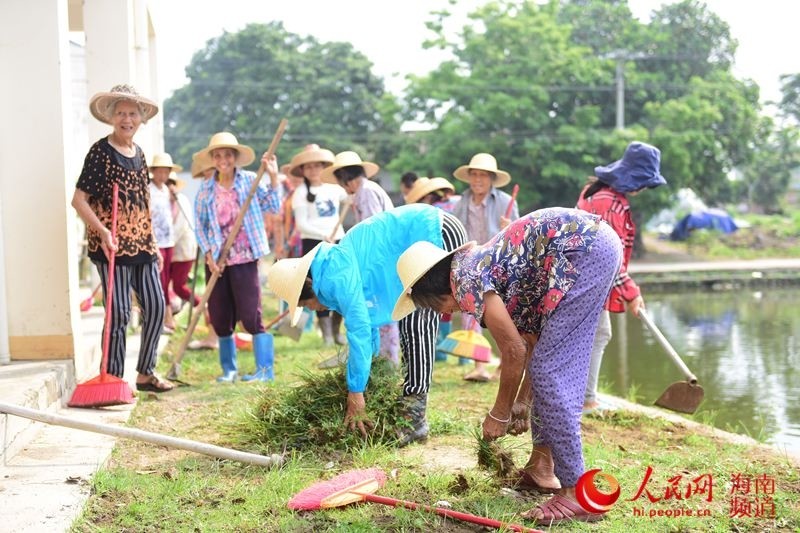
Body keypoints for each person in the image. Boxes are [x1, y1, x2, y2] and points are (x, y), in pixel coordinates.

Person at [394, 207, 622, 525]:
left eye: (437, 307)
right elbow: (531, 340)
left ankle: (574, 493)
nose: (447, 313)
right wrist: (522, 402)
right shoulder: (478, 268)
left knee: (550, 371)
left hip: (585, 250)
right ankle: (542, 468)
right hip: (595, 246)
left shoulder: (466, 280)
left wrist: (499, 413)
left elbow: (513, 351)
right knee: (547, 366)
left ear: (435, 293)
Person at [267, 203, 467, 446]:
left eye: (304, 304)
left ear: (308, 286)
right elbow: (369, 328)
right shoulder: (331, 269)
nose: (309, 309)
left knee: (417, 320)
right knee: (413, 317)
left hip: (433, 231)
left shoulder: (334, 274)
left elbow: (359, 329)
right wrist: (366, 377)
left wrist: (356, 392)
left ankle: (415, 416)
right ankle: (410, 410)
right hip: (426, 231)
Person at [71, 84, 174, 393]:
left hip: (142, 244)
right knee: (119, 314)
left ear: (140, 119)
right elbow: (79, 199)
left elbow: (143, 203)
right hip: (111, 244)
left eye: (132, 113)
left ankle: (145, 372)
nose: (127, 119)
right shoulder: (100, 152)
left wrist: (153, 244)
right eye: (121, 113)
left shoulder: (139, 154)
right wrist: (102, 231)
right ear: (111, 118)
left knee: (156, 307)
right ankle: (113, 379)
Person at [576, 141, 667, 414]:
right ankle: (587, 400)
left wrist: (628, 292)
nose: (643, 190)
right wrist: (632, 292)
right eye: (645, 183)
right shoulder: (609, 203)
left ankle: (583, 395)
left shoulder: (601, 194)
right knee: (599, 333)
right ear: (634, 179)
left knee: (591, 335)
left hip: (585, 277)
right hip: (588, 278)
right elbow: (609, 258)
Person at [193, 131, 281, 382]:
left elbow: (273, 206)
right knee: (220, 314)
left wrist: (273, 177)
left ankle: (265, 370)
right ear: (212, 159)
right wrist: (209, 254)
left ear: (235, 158)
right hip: (217, 261)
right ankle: (229, 370)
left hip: (244, 257)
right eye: (218, 155)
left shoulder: (250, 181)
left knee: (250, 313)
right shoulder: (206, 189)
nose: (223, 159)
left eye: (228, 155)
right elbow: (200, 225)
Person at [321, 151, 397, 363]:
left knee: (383, 309)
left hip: (381, 259)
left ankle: (387, 360)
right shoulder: (361, 192)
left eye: (342, 183)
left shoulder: (367, 192)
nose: (344, 188)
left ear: (346, 178)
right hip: (376, 258)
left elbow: (374, 230)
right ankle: (379, 357)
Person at [451, 153, 519, 381]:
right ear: (469, 177)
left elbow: (519, 238)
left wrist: (510, 227)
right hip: (471, 263)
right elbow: (455, 230)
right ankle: (479, 366)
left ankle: (503, 365)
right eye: (474, 175)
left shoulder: (505, 201)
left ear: (491, 179)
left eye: (483, 175)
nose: (478, 180)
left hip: (497, 264)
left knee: (505, 316)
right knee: (471, 314)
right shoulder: (462, 201)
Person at [287, 144, 349, 346]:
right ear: (303, 170)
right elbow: (302, 224)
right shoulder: (300, 193)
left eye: (317, 166)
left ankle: (337, 330)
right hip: (314, 244)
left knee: (340, 285)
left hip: (338, 241)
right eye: (308, 167)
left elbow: (351, 197)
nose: (313, 170)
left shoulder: (335, 189)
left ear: (324, 167)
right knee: (319, 288)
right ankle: (327, 335)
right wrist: (322, 235)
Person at [403, 177, 459, 361]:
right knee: (452, 306)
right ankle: (450, 354)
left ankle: (440, 352)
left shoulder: (433, 212)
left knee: (438, 304)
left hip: (438, 259)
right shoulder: (453, 202)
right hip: (456, 256)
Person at [186, 151, 220, 351]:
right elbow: (201, 224)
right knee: (214, 296)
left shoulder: (224, 188)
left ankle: (219, 335)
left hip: (229, 253)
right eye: (205, 172)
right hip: (212, 253)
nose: (207, 175)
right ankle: (213, 336)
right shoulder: (204, 191)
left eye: (210, 171)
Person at [148, 153, 182, 333]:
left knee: (166, 279)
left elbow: (172, 214)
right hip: (156, 242)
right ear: (153, 172)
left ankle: (165, 316)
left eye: (166, 171)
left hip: (169, 241)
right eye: (159, 171)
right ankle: (165, 317)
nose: (162, 175)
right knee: (159, 280)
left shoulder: (168, 191)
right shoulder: (148, 189)